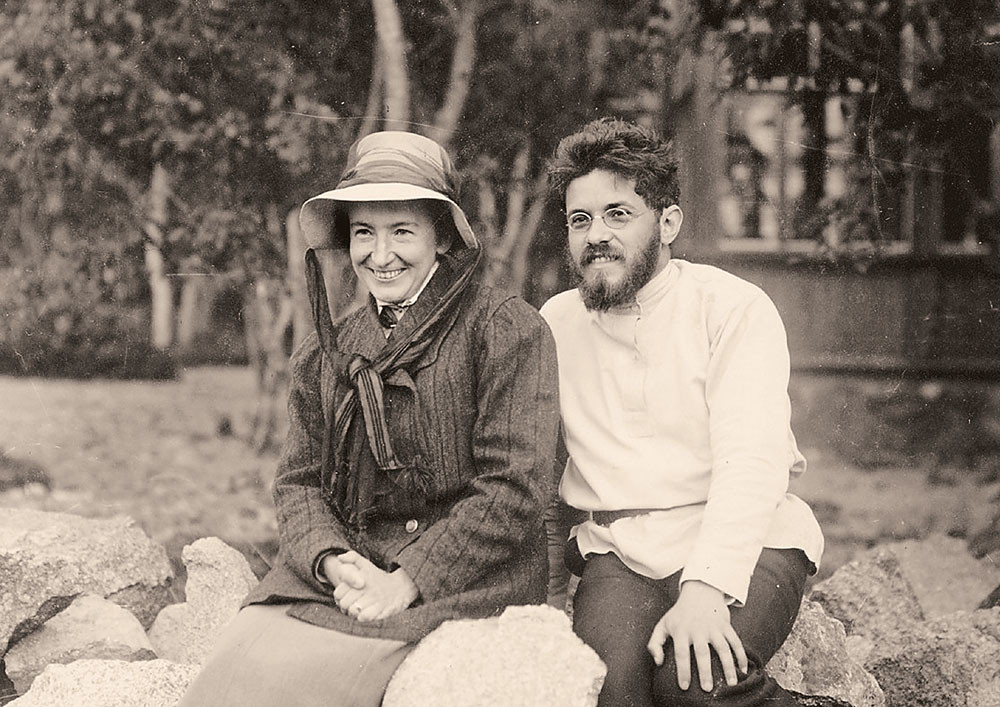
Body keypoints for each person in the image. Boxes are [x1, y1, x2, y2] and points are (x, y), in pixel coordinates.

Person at [178, 131, 560, 706]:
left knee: (308, 682)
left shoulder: (506, 330)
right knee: (236, 667)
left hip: (464, 580)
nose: (380, 256)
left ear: (442, 237)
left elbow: (515, 487)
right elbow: (299, 482)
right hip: (349, 574)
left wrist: (407, 580)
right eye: (363, 233)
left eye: (402, 231)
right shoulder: (328, 350)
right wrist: (331, 561)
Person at [541, 118, 824, 707]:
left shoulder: (731, 307)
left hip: (749, 537)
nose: (596, 235)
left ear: (668, 223)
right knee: (605, 693)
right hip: (622, 551)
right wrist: (541, 603)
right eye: (580, 219)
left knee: (692, 686)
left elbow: (753, 461)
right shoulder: (556, 323)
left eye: (618, 214)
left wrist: (706, 588)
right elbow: (539, 474)